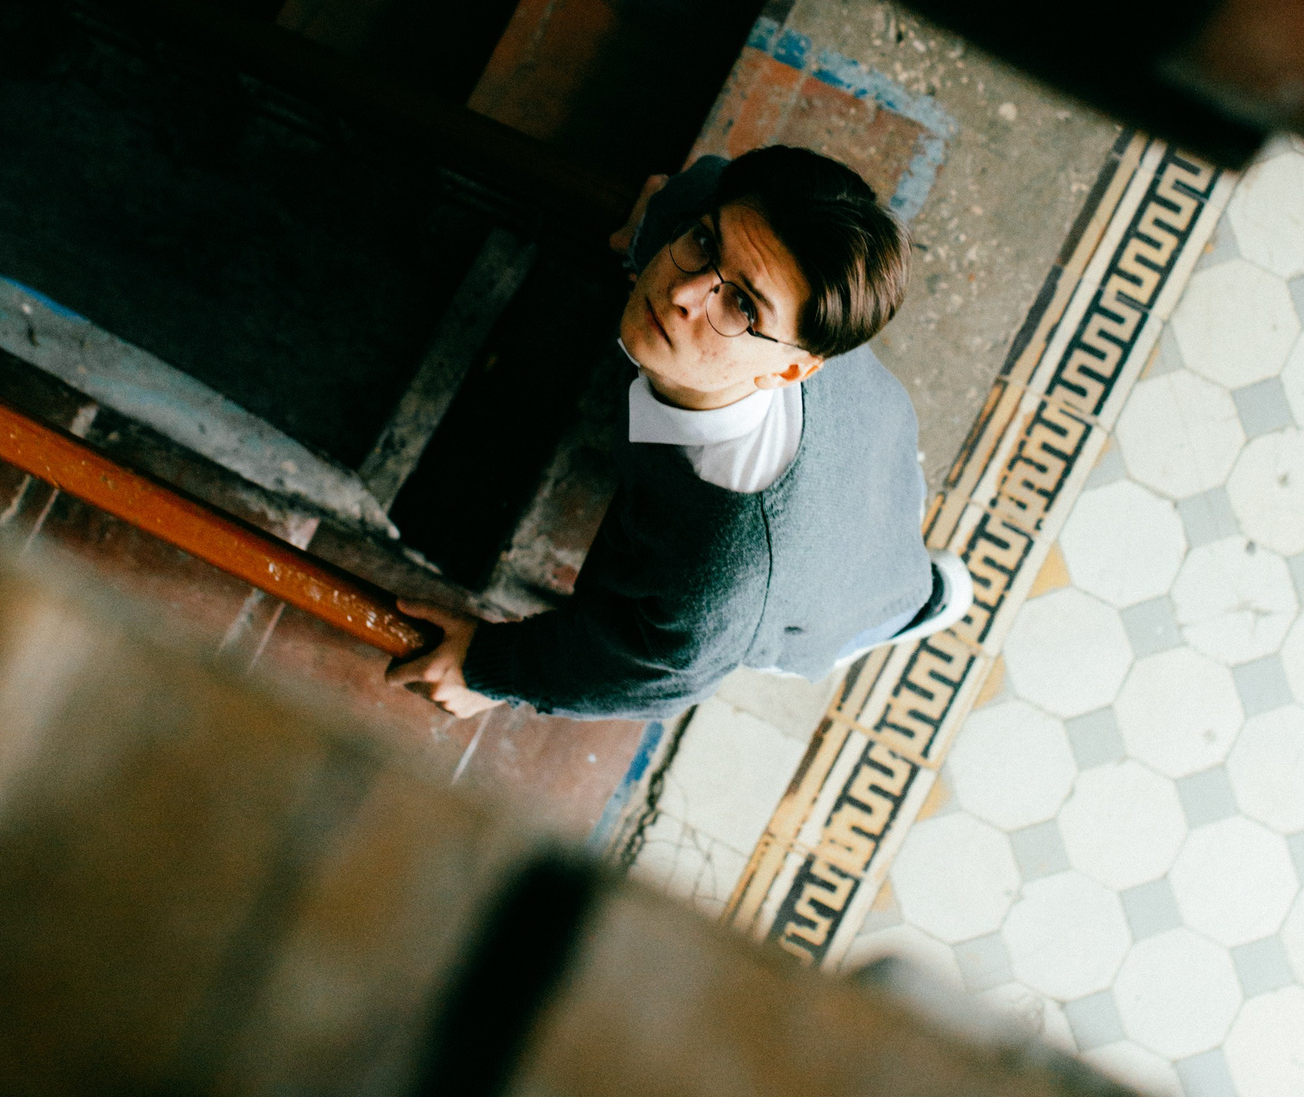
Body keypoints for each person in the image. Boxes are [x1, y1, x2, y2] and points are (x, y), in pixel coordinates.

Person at [392, 146, 969, 720]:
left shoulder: (718, 579)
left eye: (742, 307)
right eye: (704, 244)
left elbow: (648, 674)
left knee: (872, 602)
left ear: (790, 370)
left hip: (828, 593)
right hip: (874, 437)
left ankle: (926, 603)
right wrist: (651, 224)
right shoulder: (743, 243)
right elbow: (707, 185)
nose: (680, 293)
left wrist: (488, 668)